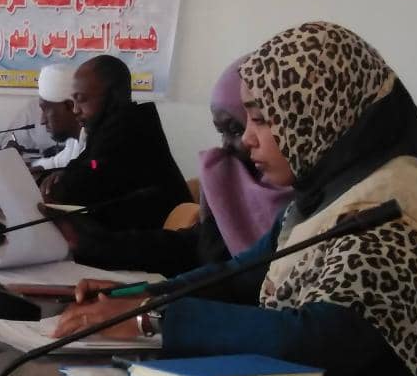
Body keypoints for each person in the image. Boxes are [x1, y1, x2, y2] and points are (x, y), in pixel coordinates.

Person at [55, 22, 417, 376]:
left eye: (263, 119)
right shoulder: (322, 196)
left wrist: (152, 321)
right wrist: (141, 297)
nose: (246, 139)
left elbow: (319, 337)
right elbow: (239, 274)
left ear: (320, 113)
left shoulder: (390, 206)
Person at [58, 57, 292, 276]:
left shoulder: (305, 214)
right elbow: (198, 250)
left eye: (237, 129)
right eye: (222, 132)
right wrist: (94, 245)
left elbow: (237, 283)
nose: (245, 140)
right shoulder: (237, 185)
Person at [42, 55, 191, 230]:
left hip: (159, 239)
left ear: (112, 96)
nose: (75, 110)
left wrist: (55, 184)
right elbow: (91, 164)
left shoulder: (130, 131)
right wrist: (64, 173)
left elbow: (88, 181)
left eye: (81, 99)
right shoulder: (109, 128)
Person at [29, 63, 85, 171]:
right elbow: (56, 162)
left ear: (71, 106)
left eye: (46, 110)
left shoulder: (97, 142)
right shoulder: (74, 141)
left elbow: (93, 166)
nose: (42, 121)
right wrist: (28, 166)